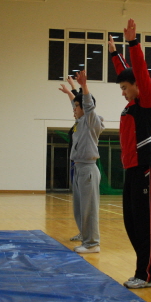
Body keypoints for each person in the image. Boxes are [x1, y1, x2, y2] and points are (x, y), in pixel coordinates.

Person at [110, 19, 151, 289]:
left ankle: (145, 274)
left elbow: (139, 72)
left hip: (146, 169)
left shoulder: (148, 102)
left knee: (143, 224)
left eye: (124, 88)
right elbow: (127, 73)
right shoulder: (131, 104)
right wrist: (114, 54)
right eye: (120, 88)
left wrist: (132, 43)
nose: (122, 93)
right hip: (131, 169)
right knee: (131, 222)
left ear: (137, 86)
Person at [58, 70, 105, 253]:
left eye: (77, 107)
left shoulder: (91, 121)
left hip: (88, 169)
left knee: (89, 209)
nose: (74, 109)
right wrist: (70, 90)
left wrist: (84, 86)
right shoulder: (80, 121)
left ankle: (92, 243)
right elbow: (76, 102)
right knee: (79, 209)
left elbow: (87, 105)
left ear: (84, 108)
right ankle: (85, 238)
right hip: (78, 169)